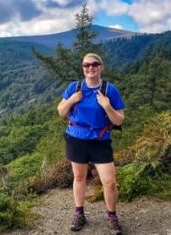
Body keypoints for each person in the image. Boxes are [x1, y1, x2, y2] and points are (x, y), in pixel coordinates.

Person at [57, 53, 125, 235]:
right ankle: (79, 213)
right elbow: (61, 111)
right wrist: (72, 100)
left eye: (94, 64)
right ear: (83, 68)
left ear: (100, 67)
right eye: (86, 65)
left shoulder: (109, 90)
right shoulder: (74, 87)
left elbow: (119, 120)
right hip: (76, 138)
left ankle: (112, 216)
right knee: (79, 178)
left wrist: (107, 106)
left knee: (109, 182)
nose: (90, 67)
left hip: (100, 140)